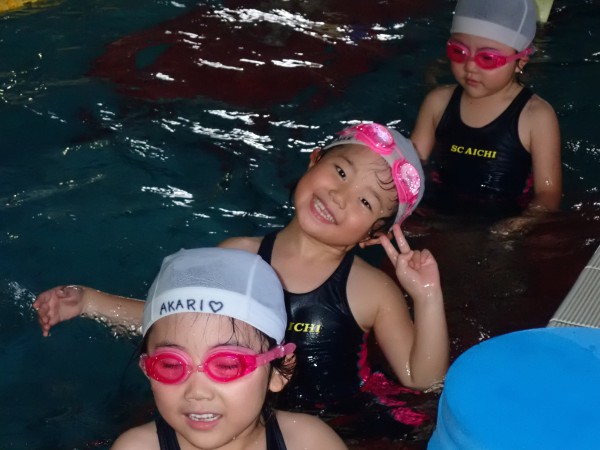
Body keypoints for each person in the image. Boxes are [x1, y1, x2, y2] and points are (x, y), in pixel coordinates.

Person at [34, 122, 449, 417]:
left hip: (338, 422)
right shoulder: (236, 256)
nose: (340, 196)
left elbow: (422, 381)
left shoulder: (372, 291)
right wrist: (89, 301)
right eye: (340, 172)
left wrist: (427, 296)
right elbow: (174, 327)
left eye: (365, 202)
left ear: (374, 235)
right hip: (234, 418)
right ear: (314, 160)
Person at [110, 246, 347, 450]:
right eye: (170, 364)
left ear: (279, 371)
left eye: (227, 365)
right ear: (146, 368)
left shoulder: (309, 442)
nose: (197, 392)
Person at [410, 0, 562, 230]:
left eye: (487, 58)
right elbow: (410, 166)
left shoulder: (536, 116)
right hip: (438, 211)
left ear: (520, 61)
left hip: (503, 219)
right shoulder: (437, 102)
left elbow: (548, 194)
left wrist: (518, 225)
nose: (470, 66)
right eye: (459, 52)